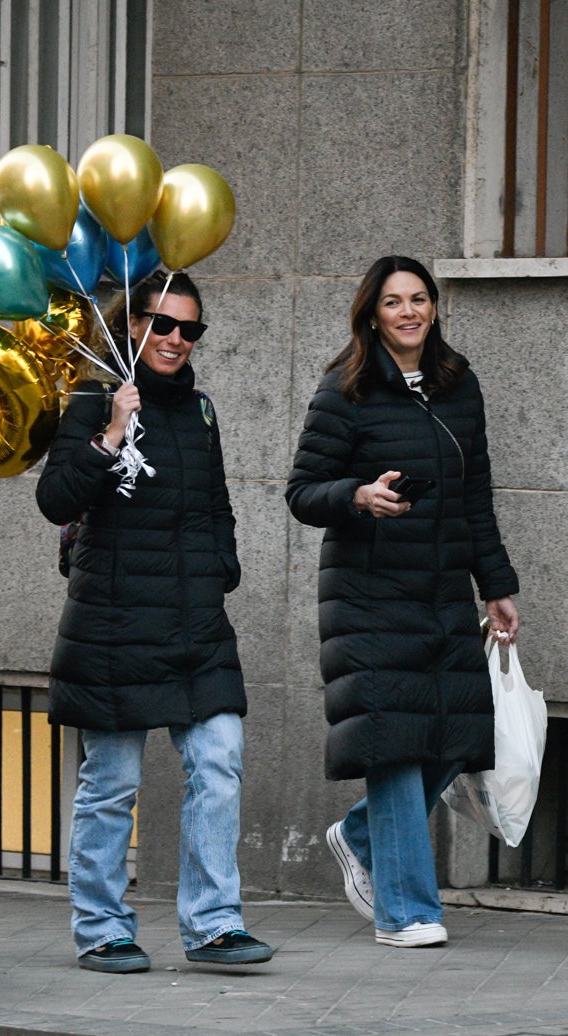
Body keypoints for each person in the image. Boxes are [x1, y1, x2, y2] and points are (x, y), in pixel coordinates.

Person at [36, 270, 273, 973]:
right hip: (113, 622)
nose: (176, 339)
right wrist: (111, 432)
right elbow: (55, 499)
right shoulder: (89, 397)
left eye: (189, 329)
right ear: (131, 324)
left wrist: (220, 566)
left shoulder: (199, 410)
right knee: (111, 783)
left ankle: (213, 924)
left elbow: (219, 502)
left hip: (195, 621)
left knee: (220, 760)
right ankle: (102, 927)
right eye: (162, 324)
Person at [285, 256, 519, 949]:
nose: (410, 312)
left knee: (452, 741)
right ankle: (407, 911)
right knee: (395, 746)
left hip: (442, 589)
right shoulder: (345, 390)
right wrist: (358, 495)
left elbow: (477, 495)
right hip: (368, 593)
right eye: (394, 302)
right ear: (372, 314)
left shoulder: (458, 386)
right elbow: (301, 491)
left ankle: (359, 834)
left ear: (435, 308)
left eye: (420, 299)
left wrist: (496, 585)